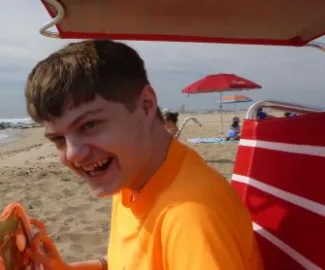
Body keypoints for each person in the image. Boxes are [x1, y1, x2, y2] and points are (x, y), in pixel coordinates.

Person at [24, 40, 262, 270]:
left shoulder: (190, 217)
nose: (73, 154)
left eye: (89, 125)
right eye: (58, 140)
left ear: (146, 105)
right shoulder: (131, 173)